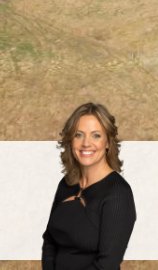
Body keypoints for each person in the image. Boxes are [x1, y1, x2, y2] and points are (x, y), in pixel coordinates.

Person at [42, 103, 136, 270]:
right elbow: (50, 239)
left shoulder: (118, 194)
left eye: (96, 136)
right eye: (78, 135)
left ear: (108, 142)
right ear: (70, 140)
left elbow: (107, 264)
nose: (86, 143)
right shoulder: (67, 183)